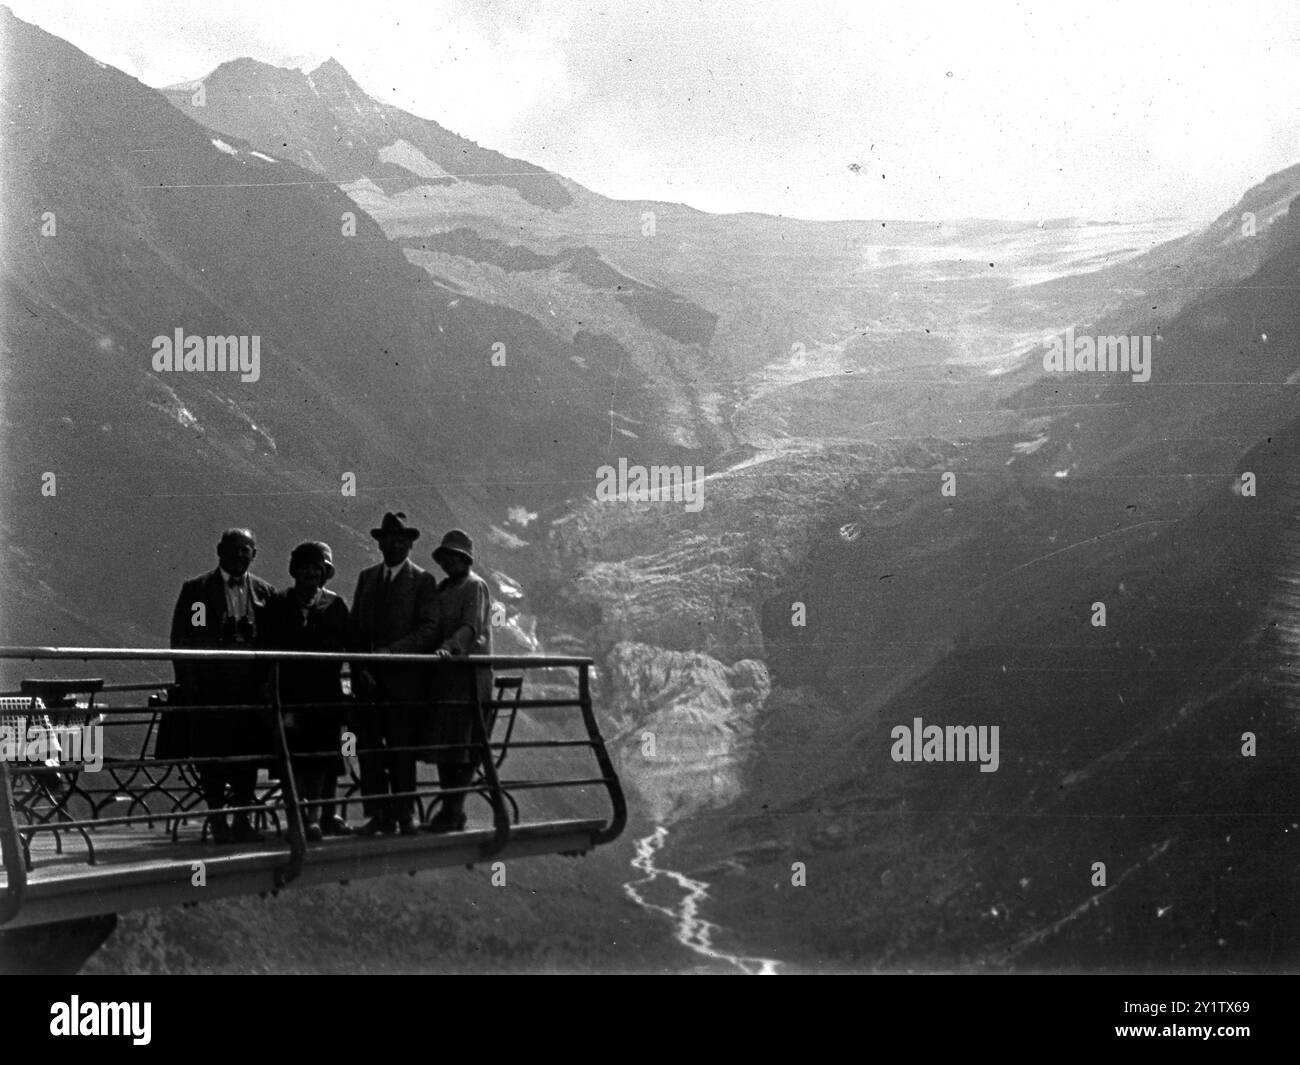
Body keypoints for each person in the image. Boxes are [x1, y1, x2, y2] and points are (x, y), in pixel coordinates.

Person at [163, 528, 274, 844]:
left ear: (254, 553)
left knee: (247, 757)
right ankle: (217, 820)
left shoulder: (265, 593)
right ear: (219, 550)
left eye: (246, 550)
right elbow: (182, 640)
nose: (240, 555)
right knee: (211, 756)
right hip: (210, 690)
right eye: (234, 549)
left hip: (250, 692)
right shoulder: (197, 591)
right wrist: (188, 682)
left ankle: (242, 820)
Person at [349, 512, 438, 836]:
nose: (394, 544)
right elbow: (357, 627)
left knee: (402, 749)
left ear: (410, 544)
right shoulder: (367, 578)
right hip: (369, 682)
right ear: (380, 543)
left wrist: (394, 652)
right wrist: (361, 668)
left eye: (401, 539)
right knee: (370, 748)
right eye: (388, 539)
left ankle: (404, 814)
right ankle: (377, 814)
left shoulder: (422, 581)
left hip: (404, 682)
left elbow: (429, 629)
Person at [261, 542, 353, 842]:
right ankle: (303, 816)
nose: (310, 572)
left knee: (326, 757)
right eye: (304, 566)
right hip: (290, 692)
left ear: (325, 573)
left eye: (317, 567)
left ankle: (323, 814)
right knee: (297, 757)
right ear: (294, 570)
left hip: (325, 692)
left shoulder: (335, 606)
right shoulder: (279, 603)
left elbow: (349, 645)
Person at [424, 530, 494, 834]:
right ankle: (450, 809)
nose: (449, 562)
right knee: (447, 744)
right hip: (445, 677)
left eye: (455, 557)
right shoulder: (443, 589)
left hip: (468, 679)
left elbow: (471, 626)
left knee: (464, 745)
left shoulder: (475, 587)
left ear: (464, 559)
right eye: (446, 557)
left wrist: (450, 647)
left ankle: (454, 809)